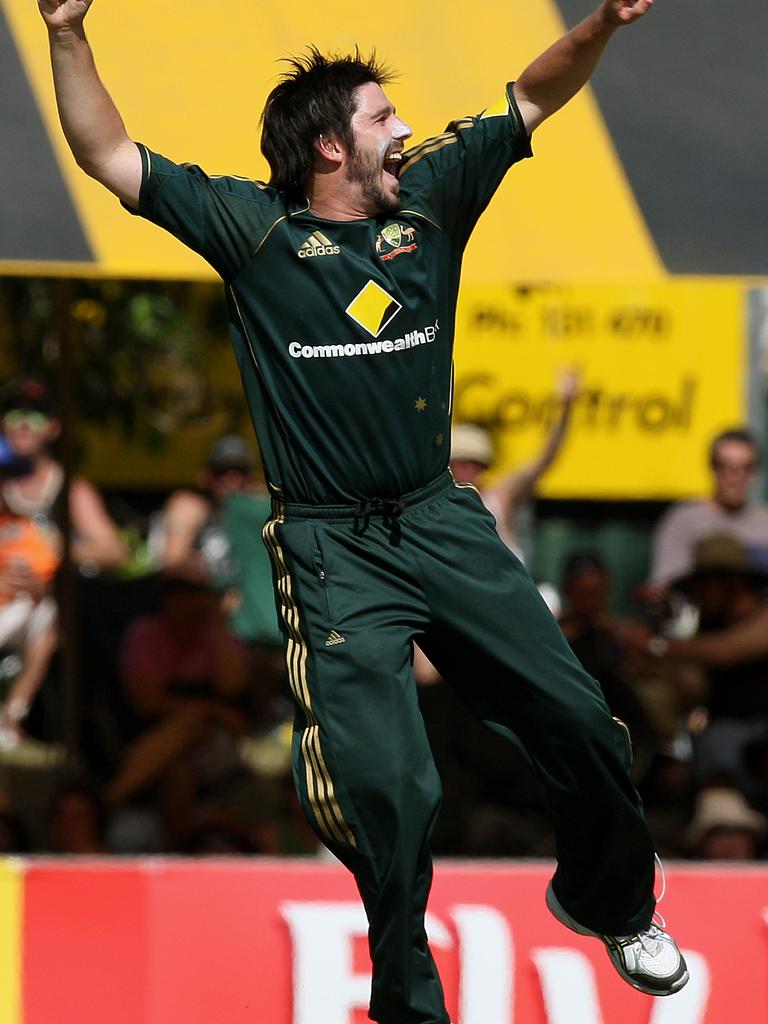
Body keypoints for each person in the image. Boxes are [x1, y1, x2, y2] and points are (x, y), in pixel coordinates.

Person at [40, 0, 688, 1014]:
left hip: (440, 519)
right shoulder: (255, 232)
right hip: (331, 546)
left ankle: (611, 899)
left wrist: (602, 24)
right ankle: (407, 1000)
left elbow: (530, 95)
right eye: (386, 118)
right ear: (333, 145)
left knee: (579, 719)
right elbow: (108, 153)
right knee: (391, 790)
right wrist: (68, 33)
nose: (407, 133)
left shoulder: (430, 201)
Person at [450, 369, 580, 561]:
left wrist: (565, 408)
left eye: (476, 464)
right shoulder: (438, 504)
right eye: (463, 462)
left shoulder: (498, 497)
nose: (470, 470)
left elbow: (543, 460)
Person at [1, 378, 129, 573]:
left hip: (54, 599)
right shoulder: (3, 488)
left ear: (53, 428)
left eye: (36, 415)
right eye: (15, 414)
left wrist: (55, 548)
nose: (24, 424)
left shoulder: (72, 490)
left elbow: (115, 552)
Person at [648, 427, 768, 591]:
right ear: (712, 468)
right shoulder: (684, 519)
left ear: (756, 473)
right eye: (725, 466)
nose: (734, 476)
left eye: (745, 467)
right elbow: (665, 587)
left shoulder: (765, 522)